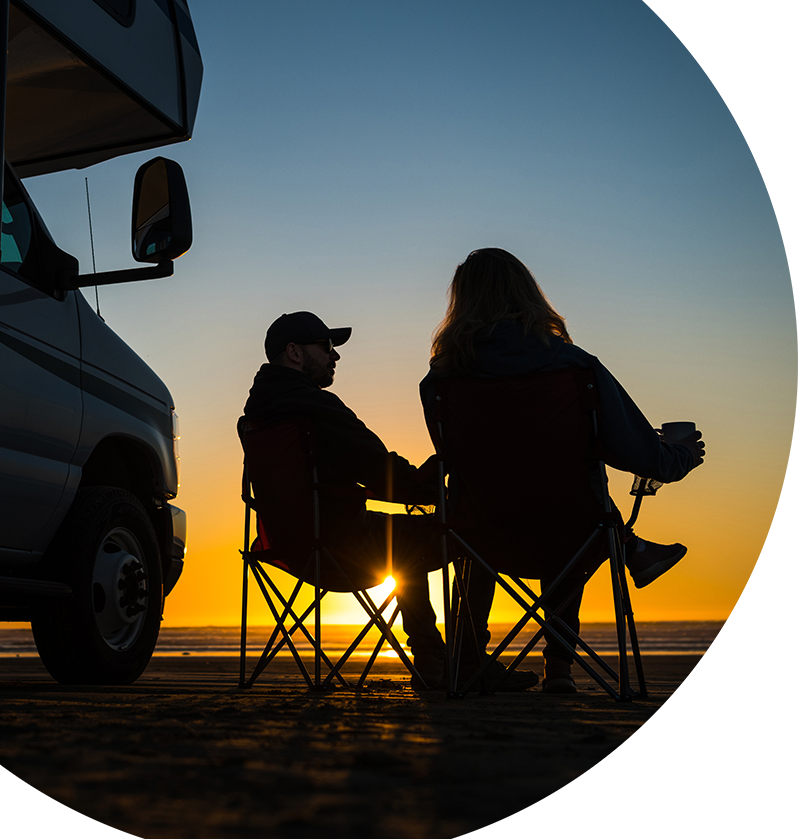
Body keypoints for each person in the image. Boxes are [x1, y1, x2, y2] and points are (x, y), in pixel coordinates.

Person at [421, 249, 705, 694]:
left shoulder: (440, 382)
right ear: (528, 294)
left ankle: (469, 662)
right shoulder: (575, 367)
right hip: (570, 530)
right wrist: (680, 454)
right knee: (570, 515)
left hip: (480, 534)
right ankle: (560, 671)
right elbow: (644, 457)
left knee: (491, 511)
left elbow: (460, 459)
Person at [240, 310, 538, 691]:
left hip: (289, 547)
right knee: (470, 534)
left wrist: (413, 487)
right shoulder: (316, 407)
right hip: (345, 547)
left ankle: (431, 655)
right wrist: (438, 475)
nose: (335, 356)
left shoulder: (258, 414)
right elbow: (382, 472)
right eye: (327, 346)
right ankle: (467, 661)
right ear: (295, 353)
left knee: (406, 539)